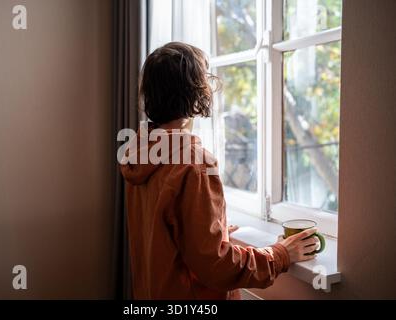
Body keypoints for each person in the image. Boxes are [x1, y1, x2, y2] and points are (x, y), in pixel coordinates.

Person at [120, 42, 318, 300]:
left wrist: (210, 232)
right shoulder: (193, 163)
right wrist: (280, 254)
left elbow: (164, 232)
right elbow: (217, 266)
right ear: (195, 92)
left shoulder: (140, 151)